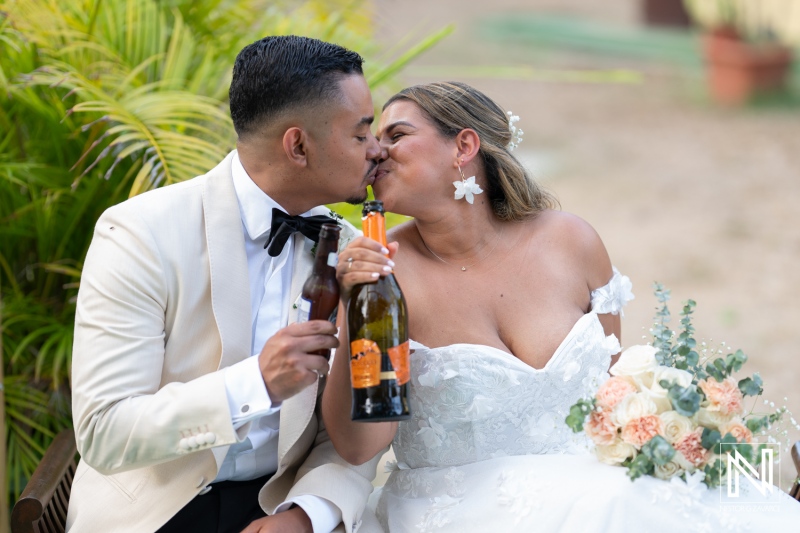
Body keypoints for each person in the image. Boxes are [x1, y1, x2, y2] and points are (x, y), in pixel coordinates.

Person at [321, 81, 800, 531]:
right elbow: (361, 446)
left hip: (605, 499)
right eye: (374, 139)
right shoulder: (383, 272)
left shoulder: (571, 242)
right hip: (462, 513)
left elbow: (617, 401)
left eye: (397, 135)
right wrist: (353, 307)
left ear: (463, 147)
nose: (376, 150)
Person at [67, 35, 385, 533]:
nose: (378, 150)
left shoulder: (353, 249)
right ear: (298, 145)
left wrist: (309, 513)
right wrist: (257, 382)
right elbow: (105, 431)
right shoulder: (140, 233)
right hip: (152, 512)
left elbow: (355, 426)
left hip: (280, 504)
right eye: (361, 135)